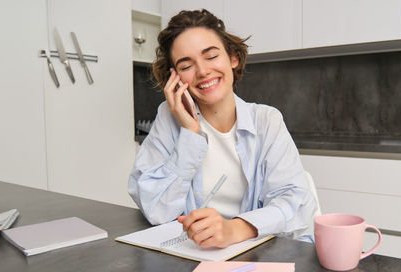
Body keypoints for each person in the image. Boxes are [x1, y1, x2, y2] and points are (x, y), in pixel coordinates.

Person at [128, 9, 317, 248]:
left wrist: (236, 228)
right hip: (193, 255)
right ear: (175, 78)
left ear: (233, 58)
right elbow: (155, 210)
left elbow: (296, 204)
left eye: (211, 56)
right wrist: (189, 134)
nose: (203, 71)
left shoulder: (266, 121)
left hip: (256, 254)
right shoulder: (168, 117)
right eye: (186, 66)